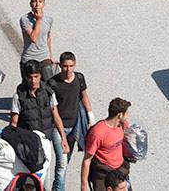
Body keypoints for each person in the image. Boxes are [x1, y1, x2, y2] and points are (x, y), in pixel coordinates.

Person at [10, 61, 68, 191]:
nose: (33, 80)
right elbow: (13, 124)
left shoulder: (48, 92)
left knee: (44, 179)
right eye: (30, 77)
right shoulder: (19, 96)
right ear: (25, 77)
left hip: (46, 141)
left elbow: (56, 116)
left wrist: (63, 139)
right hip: (29, 144)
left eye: (36, 76)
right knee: (30, 181)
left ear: (41, 76)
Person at [80, 98, 131, 191]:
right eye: (126, 113)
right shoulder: (98, 132)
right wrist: (83, 186)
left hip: (120, 171)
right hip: (103, 175)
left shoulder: (122, 125)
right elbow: (87, 160)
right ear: (119, 115)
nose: (128, 116)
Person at [50, 52, 94, 159]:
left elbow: (84, 96)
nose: (68, 69)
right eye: (65, 66)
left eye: (71, 66)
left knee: (67, 156)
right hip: (58, 126)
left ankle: (62, 175)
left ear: (75, 65)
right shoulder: (52, 83)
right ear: (60, 65)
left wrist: (91, 117)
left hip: (75, 124)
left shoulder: (79, 78)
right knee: (62, 160)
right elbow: (51, 106)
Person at [19, 0, 55, 82]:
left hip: (44, 57)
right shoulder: (25, 19)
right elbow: (33, 38)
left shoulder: (49, 19)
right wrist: (39, 20)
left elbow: (48, 37)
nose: (37, 4)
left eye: (40, 1)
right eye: (35, 1)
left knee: (49, 85)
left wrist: (50, 55)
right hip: (29, 57)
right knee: (29, 86)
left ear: (44, 3)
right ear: (30, 4)